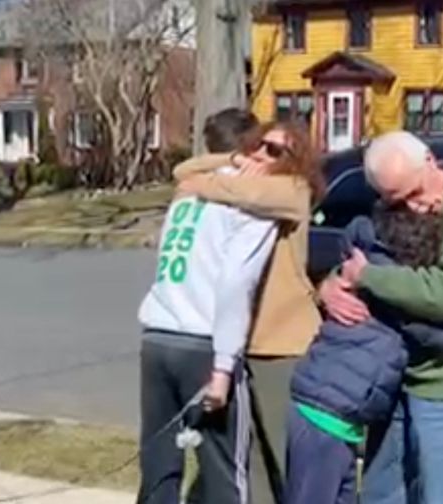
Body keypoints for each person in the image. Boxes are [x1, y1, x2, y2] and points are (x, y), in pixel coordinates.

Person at [320, 131, 443, 504]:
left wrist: (369, 278)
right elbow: (361, 253)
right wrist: (329, 285)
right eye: (396, 201)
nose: (412, 207)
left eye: (415, 193)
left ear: (429, 160)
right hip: (389, 376)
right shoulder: (393, 198)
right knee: (381, 495)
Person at [285, 202, 443, 504]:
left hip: (322, 409)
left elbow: (357, 227)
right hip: (325, 418)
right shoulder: (400, 299)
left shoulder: (363, 259)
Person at [136, 109, 293, 504]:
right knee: (225, 468)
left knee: (159, 463)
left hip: (158, 339)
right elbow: (236, 283)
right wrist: (224, 366)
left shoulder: (187, 194)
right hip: (203, 345)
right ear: (249, 148)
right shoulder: (250, 203)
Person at [172, 119, 325, 504]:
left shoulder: (293, 190)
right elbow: (182, 171)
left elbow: (197, 182)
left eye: (274, 151)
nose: (261, 154)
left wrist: (205, 186)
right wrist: (235, 158)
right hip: (237, 342)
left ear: (297, 160)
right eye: (259, 145)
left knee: (285, 453)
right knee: (248, 456)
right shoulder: (247, 185)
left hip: (282, 344)